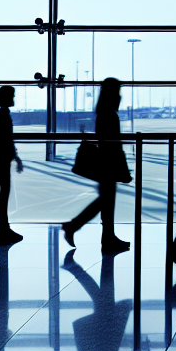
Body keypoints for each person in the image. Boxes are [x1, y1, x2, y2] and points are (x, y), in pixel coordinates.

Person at [62, 77, 129, 254]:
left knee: (105, 201)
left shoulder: (103, 112)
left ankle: (105, 236)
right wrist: (122, 168)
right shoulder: (109, 114)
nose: (120, 96)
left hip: (106, 162)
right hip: (109, 163)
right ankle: (79, 228)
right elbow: (114, 143)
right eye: (118, 92)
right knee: (106, 201)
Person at [64, 250, 130, 351]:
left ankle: (105, 257)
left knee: (103, 292)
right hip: (104, 330)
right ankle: (92, 262)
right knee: (101, 294)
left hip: (105, 329)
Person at [0, 85, 24, 246]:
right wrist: (15, 157)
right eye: (12, 96)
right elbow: (7, 138)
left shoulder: (1, 114)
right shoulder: (4, 114)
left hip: (0, 157)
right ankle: (3, 228)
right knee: (3, 193)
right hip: (2, 157)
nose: (14, 99)